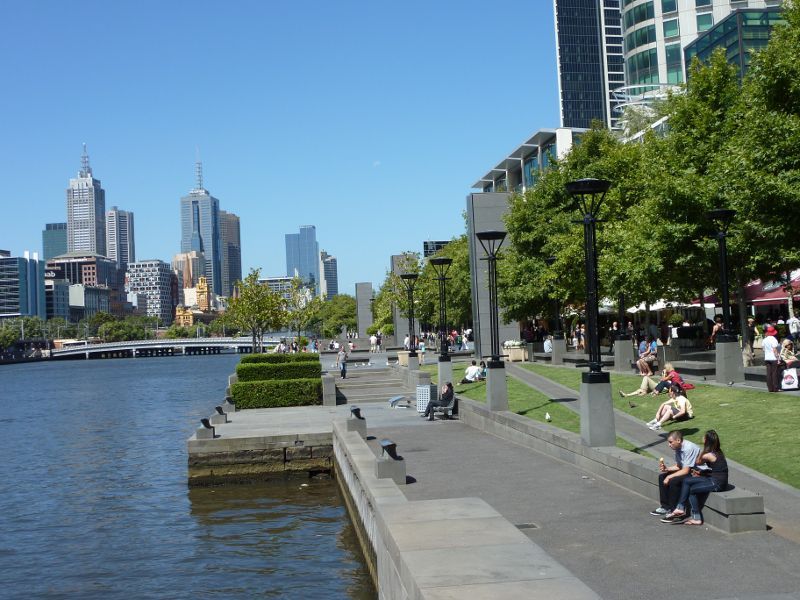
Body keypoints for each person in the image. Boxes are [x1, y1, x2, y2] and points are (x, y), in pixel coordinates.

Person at [662, 430, 729, 525]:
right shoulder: (717, 451)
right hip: (715, 479)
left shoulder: (708, 455)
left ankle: (694, 516)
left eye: (704, 437)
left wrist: (702, 451)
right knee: (687, 481)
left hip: (717, 483)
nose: (702, 438)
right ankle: (681, 508)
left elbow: (697, 462)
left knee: (691, 489)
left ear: (706, 440)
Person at [650, 430, 701, 519]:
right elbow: (679, 466)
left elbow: (685, 471)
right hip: (688, 470)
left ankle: (674, 510)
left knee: (674, 481)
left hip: (698, 473)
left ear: (678, 440)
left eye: (670, 442)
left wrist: (669, 476)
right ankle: (665, 507)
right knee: (662, 477)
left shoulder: (689, 448)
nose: (669, 445)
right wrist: (667, 469)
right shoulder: (677, 448)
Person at [619, 363, 693, 398]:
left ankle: (643, 391)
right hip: (658, 385)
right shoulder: (673, 374)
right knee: (645, 378)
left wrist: (664, 374)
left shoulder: (672, 375)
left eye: (665, 368)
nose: (664, 370)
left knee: (646, 381)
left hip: (661, 387)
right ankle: (627, 395)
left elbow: (663, 381)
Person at [763, 325, 781, 392]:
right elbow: (775, 350)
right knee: (774, 373)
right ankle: (775, 388)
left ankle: (770, 388)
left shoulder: (764, 340)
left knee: (768, 373)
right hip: (773, 358)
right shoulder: (774, 339)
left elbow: (764, 349)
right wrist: (778, 358)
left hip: (767, 358)